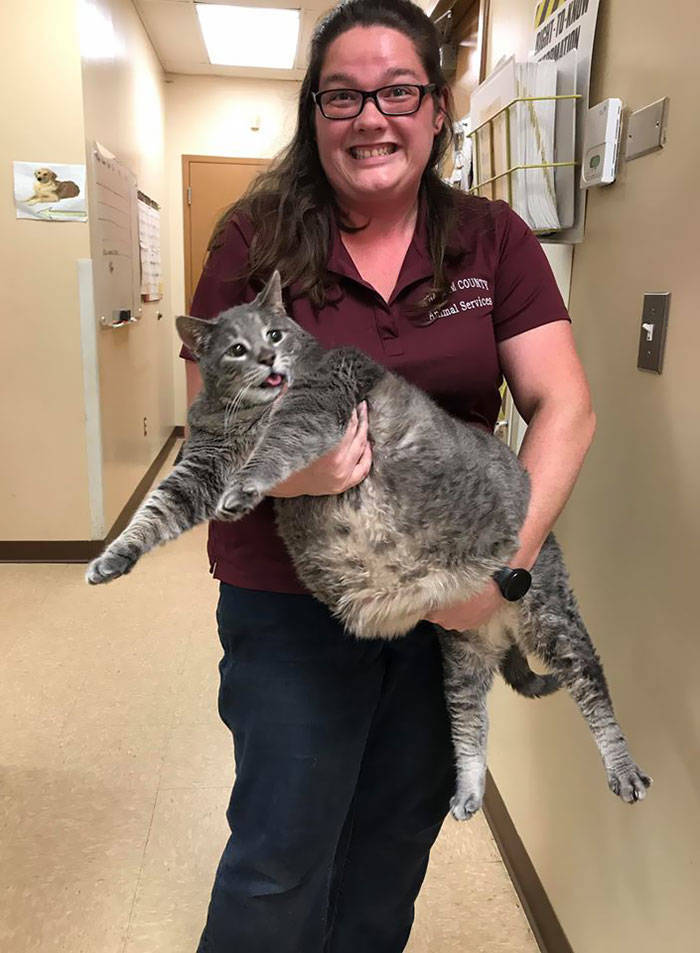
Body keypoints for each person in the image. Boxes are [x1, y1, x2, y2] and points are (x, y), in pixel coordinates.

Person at [183, 2, 596, 950]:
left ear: (438, 107)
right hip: (290, 599)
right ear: (314, 113)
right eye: (343, 96)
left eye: (397, 90)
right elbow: (214, 413)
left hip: (441, 600)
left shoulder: (494, 240)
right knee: (280, 853)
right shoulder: (257, 235)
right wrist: (293, 474)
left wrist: (501, 567)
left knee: (391, 843)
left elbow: (564, 406)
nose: (372, 117)